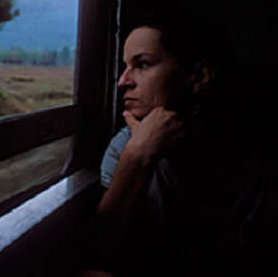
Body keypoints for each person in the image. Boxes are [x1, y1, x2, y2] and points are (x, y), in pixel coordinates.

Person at [80, 18, 278, 277]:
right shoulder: (127, 146)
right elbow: (99, 254)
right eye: (125, 66)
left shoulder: (252, 157)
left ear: (198, 77)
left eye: (142, 65)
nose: (123, 81)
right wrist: (136, 157)